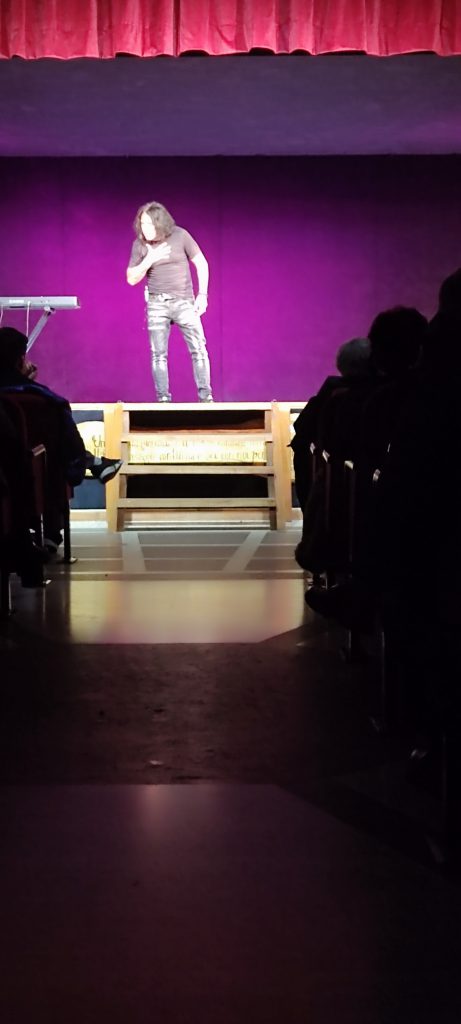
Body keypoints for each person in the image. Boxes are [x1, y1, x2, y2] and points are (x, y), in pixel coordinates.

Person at [0, 326, 123, 549]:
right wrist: (27, 383)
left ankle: (93, 462)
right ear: (20, 360)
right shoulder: (42, 399)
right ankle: (52, 535)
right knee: (55, 454)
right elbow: (67, 440)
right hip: (31, 471)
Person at [126, 201, 213, 403]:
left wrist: (202, 295)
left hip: (184, 301)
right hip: (157, 303)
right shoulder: (140, 245)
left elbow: (201, 263)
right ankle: (163, 399)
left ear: (160, 222)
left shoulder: (180, 236)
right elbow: (131, 279)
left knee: (199, 349)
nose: (145, 228)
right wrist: (150, 259)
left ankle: (206, 397)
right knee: (158, 354)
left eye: (149, 224)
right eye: (142, 223)